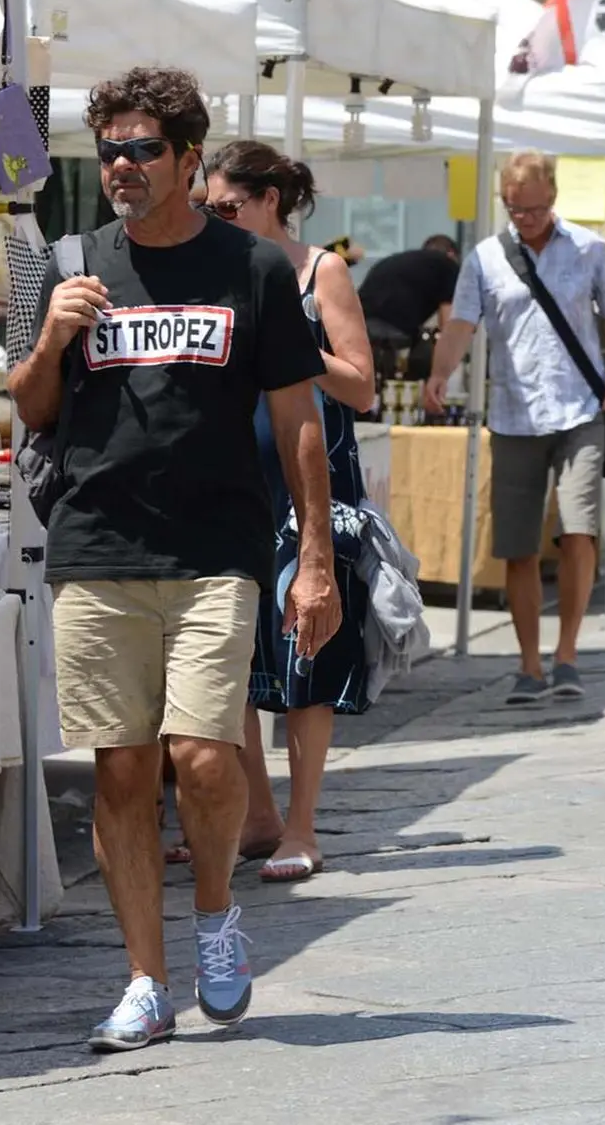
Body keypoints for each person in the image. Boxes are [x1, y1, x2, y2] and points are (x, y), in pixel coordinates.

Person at [9, 67, 341, 1052]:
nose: (119, 164)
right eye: (107, 147)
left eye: (141, 148)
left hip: (214, 550)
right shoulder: (72, 261)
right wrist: (54, 335)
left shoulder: (253, 269)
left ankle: (214, 921)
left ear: (189, 159)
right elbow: (28, 408)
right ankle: (145, 981)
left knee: (201, 756)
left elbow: (297, 419)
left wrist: (314, 557)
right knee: (120, 770)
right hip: (96, 544)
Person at [201, 141, 376, 888]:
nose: (218, 219)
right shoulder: (216, 268)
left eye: (230, 206)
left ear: (271, 198)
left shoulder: (319, 270)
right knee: (230, 655)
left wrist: (290, 344)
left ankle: (302, 824)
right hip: (234, 481)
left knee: (309, 650)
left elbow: (362, 386)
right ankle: (258, 816)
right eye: (208, 209)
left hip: (312, 484)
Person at [423, 152, 605, 705]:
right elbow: (462, 322)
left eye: (534, 209)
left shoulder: (590, 248)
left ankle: (567, 654)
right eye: (516, 211)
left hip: (579, 410)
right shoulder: (486, 258)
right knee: (516, 546)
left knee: (579, 530)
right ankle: (529, 664)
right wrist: (441, 373)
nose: (526, 220)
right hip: (514, 414)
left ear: (554, 198)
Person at [357, 234, 461, 381]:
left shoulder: (402, 260)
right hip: (391, 329)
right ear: (451, 254)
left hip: (359, 323)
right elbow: (448, 325)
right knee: (421, 353)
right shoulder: (449, 266)